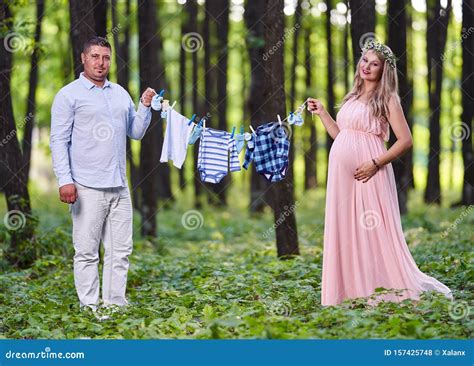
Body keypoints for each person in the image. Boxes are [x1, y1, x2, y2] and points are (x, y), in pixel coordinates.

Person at [308, 40, 453, 306]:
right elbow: (341, 136)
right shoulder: (351, 97)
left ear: (383, 70)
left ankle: (377, 287)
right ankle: (347, 290)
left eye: (374, 64)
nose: (367, 67)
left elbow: (405, 140)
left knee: (370, 230)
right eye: (365, 61)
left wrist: (376, 163)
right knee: (346, 228)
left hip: (370, 172)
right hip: (342, 178)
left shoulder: (387, 99)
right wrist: (323, 114)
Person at [50, 36, 156, 311]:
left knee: (120, 251)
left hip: (119, 187)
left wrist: (144, 106)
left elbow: (135, 132)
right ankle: (89, 307)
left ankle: (114, 305)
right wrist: (65, 181)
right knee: (86, 252)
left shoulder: (120, 93)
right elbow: (58, 140)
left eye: (106, 57)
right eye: (95, 56)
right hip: (86, 186)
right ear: (83, 58)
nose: (101, 62)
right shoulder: (69, 95)